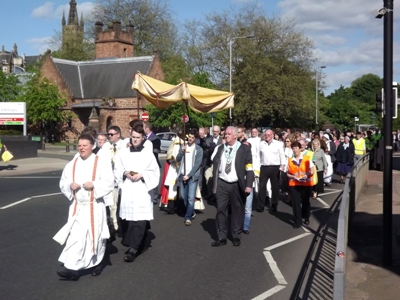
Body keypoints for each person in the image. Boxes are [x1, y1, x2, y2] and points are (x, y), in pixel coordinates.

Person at [56, 133, 114, 279]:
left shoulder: (101, 162)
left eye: (84, 145)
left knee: (95, 237)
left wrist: (94, 184)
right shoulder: (73, 163)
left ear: (92, 146)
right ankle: (73, 269)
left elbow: (109, 182)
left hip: (94, 206)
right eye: (79, 145)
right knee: (76, 237)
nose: (81, 148)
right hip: (77, 207)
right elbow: (63, 182)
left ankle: (96, 264)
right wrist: (70, 185)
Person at [114, 124, 160, 262]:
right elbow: (118, 168)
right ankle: (141, 242)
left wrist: (142, 175)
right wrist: (125, 172)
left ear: (143, 138)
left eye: (138, 137)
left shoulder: (147, 153)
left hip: (141, 190)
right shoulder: (124, 152)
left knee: (139, 220)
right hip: (128, 189)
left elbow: (155, 171)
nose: (135, 140)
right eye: (133, 137)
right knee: (130, 220)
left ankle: (133, 249)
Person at [211, 126, 253, 247]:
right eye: (225, 134)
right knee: (221, 210)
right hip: (222, 182)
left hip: (236, 184)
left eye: (229, 134)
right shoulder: (220, 148)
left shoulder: (244, 149)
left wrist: (249, 185)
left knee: (237, 210)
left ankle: (236, 235)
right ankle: (222, 236)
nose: (226, 136)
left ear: (235, 136)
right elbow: (214, 161)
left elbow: (249, 168)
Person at [176, 129, 203, 225]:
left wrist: (189, 175)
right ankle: (191, 211)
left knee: (191, 198)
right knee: (184, 197)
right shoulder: (183, 146)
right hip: (182, 175)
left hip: (192, 177)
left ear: (195, 139)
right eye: (189, 137)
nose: (190, 139)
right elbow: (177, 159)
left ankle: (188, 217)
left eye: (192, 138)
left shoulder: (199, 150)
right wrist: (181, 152)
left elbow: (197, 164)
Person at [286, 141, 314, 228]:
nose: (295, 150)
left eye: (296, 148)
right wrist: (293, 176)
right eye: (293, 148)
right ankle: (297, 222)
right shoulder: (290, 160)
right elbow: (287, 173)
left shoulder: (307, 158)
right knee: (295, 203)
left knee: (305, 202)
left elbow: (312, 170)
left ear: (300, 149)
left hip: (305, 184)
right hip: (294, 184)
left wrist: (307, 175)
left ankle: (306, 217)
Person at [257, 129, 285, 213]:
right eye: (266, 135)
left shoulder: (278, 144)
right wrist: (258, 167)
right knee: (262, 186)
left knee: (275, 187)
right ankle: (260, 205)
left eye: (269, 135)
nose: (267, 136)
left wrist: (282, 165)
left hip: (275, 168)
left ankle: (274, 204)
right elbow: (258, 156)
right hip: (264, 167)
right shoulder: (261, 144)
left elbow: (282, 155)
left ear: (272, 135)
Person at [161, 133, 185, 213]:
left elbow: (174, 156)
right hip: (176, 167)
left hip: (176, 167)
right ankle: (177, 206)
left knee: (174, 187)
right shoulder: (179, 141)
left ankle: (174, 207)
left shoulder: (178, 142)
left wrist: (172, 160)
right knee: (176, 187)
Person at [143, 122, 161, 204]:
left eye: (143, 127)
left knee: (153, 179)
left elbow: (156, 151)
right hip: (144, 162)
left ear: (147, 128)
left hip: (153, 161)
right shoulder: (143, 138)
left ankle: (154, 197)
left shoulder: (155, 138)